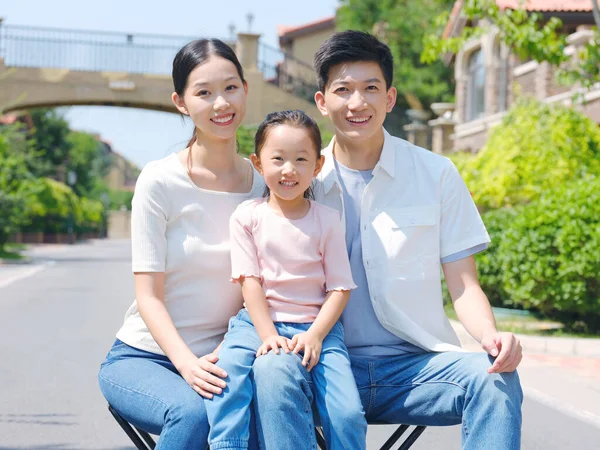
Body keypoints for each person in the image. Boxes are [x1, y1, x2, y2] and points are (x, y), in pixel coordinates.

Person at [252, 31, 524, 450]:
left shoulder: (436, 174)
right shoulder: (296, 182)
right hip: (322, 364)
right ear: (323, 101)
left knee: (495, 379)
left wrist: (492, 336)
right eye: (343, 90)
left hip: (415, 368)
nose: (357, 103)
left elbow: (464, 284)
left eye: (370, 89)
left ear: (390, 98)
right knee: (271, 372)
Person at [97, 38, 265, 449]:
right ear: (181, 102)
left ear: (245, 89)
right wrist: (187, 365)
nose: (221, 103)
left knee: (275, 412)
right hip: (145, 357)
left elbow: (264, 289)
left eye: (230, 88)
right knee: (191, 413)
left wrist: (227, 354)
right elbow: (148, 296)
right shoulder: (160, 181)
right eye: (204, 93)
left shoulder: (265, 185)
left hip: (229, 359)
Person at [204, 110, 367, 450]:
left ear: (317, 166)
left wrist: (317, 335)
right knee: (227, 376)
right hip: (256, 322)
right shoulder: (248, 216)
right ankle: (227, 446)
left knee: (347, 413)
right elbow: (249, 282)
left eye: (301, 159)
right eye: (277, 159)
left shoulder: (327, 220)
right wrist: (268, 336)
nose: (289, 169)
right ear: (258, 163)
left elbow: (340, 288)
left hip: (317, 326)